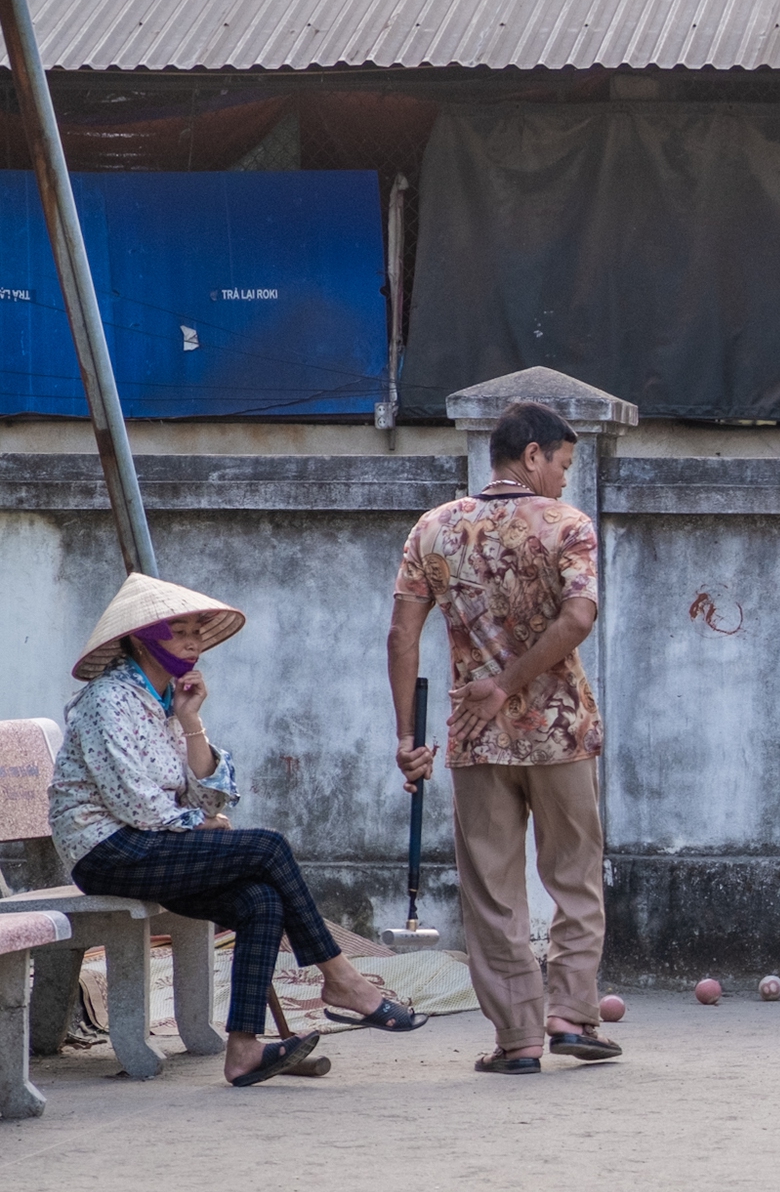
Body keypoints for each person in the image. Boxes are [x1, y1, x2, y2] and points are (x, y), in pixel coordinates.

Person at [49, 573, 424, 1087]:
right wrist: (201, 824)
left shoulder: (165, 702)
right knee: (266, 846)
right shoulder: (107, 700)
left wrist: (190, 720)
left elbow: (207, 793)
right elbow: (135, 803)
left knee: (260, 901)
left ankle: (244, 1049)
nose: (192, 641)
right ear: (142, 638)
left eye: (197, 631)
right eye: (178, 631)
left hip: (152, 845)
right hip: (108, 851)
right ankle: (341, 980)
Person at [389, 400, 618, 1074]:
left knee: (491, 890)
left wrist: (408, 735)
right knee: (574, 876)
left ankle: (518, 1037)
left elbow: (402, 635)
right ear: (531, 455)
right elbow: (579, 618)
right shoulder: (569, 527)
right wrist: (515, 681)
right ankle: (572, 1013)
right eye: (562, 465)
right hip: (559, 734)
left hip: (475, 740)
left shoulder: (433, 529)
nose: (565, 480)